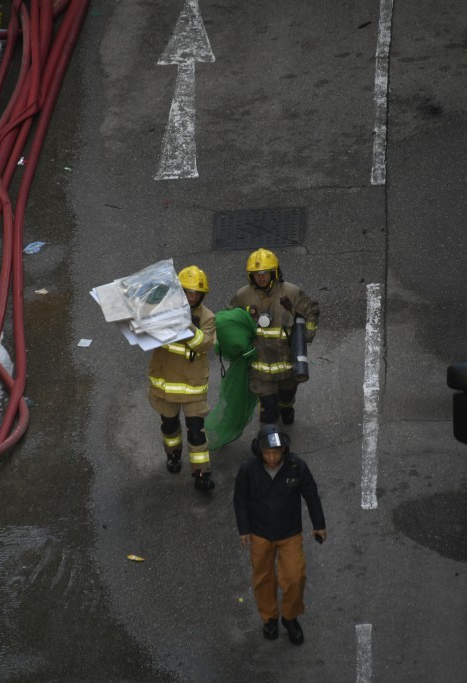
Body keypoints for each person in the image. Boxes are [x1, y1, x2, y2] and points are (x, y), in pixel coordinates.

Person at [233, 424, 326, 645]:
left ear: (284, 450)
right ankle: (270, 619)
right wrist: (243, 529)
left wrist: (319, 524)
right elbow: (240, 501)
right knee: (263, 579)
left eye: (276, 452)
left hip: (289, 533)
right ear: (260, 451)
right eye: (268, 453)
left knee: (295, 577)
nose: (272, 457)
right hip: (260, 534)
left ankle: (290, 617)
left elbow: (311, 495)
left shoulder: (297, 466)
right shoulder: (248, 469)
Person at [229, 248, 319, 426]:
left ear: (274, 272)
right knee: (268, 410)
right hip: (259, 369)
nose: (260, 277)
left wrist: (306, 335)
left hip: (287, 365)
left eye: (264, 273)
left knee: (286, 397)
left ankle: (287, 407)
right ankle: (269, 443)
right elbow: (229, 317)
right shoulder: (243, 296)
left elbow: (312, 311)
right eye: (256, 274)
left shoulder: (291, 293)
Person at [147, 265, 217, 491]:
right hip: (165, 385)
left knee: (196, 432)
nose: (191, 297)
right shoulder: (162, 310)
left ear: (202, 295)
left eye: (195, 293)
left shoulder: (206, 317)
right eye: (186, 292)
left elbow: (205, 343)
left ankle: (201, 474)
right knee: (169, 427)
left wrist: (187, 326)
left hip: (193, 388)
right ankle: (173, 455)